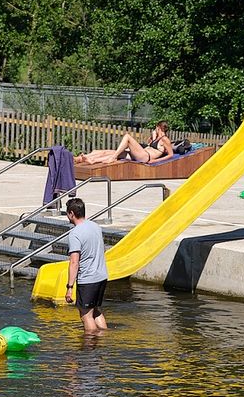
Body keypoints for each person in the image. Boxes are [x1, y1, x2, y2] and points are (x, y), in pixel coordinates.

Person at [64, 197, 110, 335]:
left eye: (67, 213)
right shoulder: (95, 227)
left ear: (72, 213)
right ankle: (103, 340)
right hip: (101, 276)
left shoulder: (75, 233)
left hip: (88, 280)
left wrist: (69, 288)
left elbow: (74, 262)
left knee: (85, 315)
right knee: (95, 310)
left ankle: (90, 349)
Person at [75, 122, 173, 166]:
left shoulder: (165, 139)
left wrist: (155, 161)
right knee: (107, 152)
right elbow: (150, 145)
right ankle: (91, 159)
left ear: (158, 127)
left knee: (127, 137)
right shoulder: (156, 137)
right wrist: (152, 138)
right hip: (141, 154)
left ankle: (113, 157)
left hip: (145, 157)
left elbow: (170, 155)